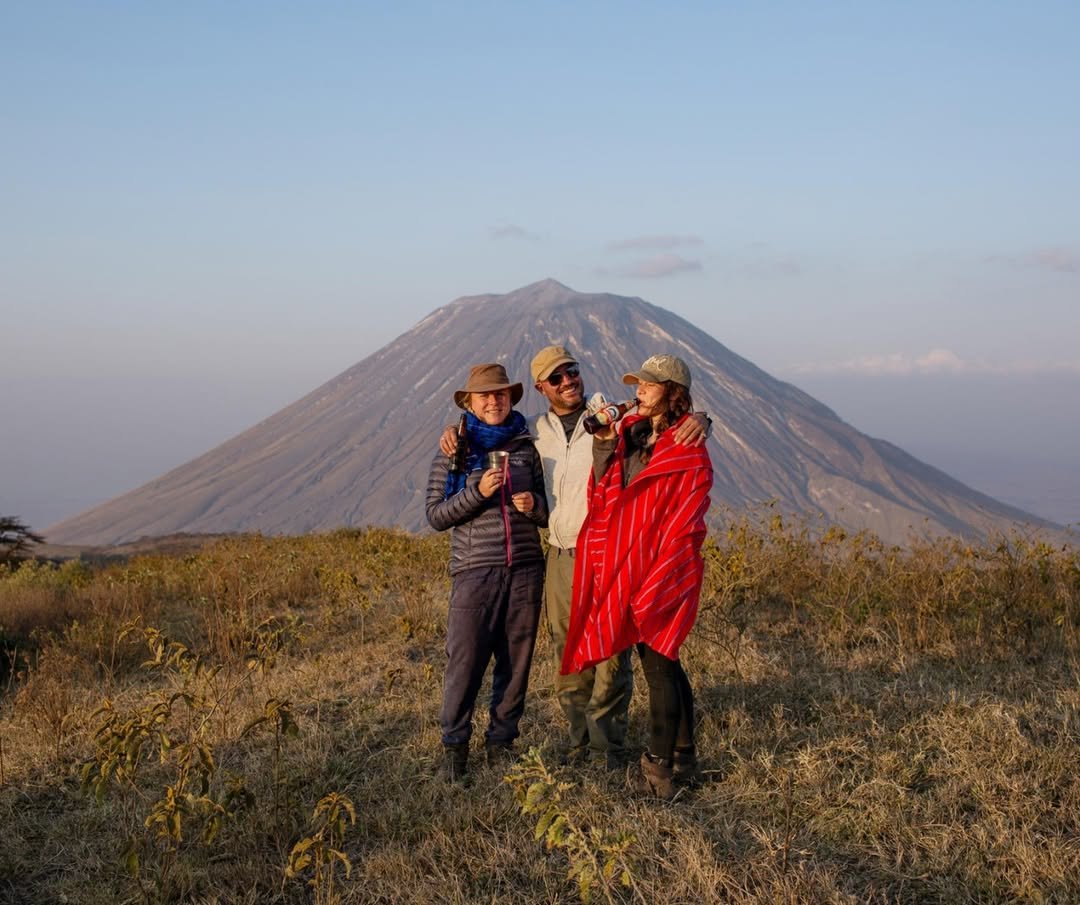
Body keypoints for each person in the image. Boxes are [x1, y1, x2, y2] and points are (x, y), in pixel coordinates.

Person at [443, 346, 710, 767]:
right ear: (540, 388)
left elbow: (663, 422)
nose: (567, 381)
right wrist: (453, 432)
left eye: (573, 372)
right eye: (556, 378)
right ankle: (578, 744)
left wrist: (700, 418)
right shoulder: (531, 431)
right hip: (560, 553)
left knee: (612, 658)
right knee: (566, 652)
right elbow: (484, 429)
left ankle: (608, 748)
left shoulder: (611, 416)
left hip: (608, 553)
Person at [561, 354, 713, 798]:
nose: (639, 390)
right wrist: (606, 440)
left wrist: (662, 572)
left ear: (672, 392)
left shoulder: (688, 448)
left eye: (649, 384)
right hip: (628, 564)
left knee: (658, 664)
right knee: (666, 659)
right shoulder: (634, 432)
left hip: (661, 569)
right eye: (638, 383)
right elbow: (607, 487)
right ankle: (684, 757)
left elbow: (686, 517)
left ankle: (659, 766)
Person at [425, 363, 549, 781]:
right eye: (484, 396)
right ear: (470, 403)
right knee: (465, 661)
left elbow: (549, 512)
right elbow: (437, 515)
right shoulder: (454, 451)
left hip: (527, 570)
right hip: (475, 570)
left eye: (500, 394)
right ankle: (455, 751)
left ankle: (502, 744)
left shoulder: (527, 448)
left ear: (511, 398)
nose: (493, 401)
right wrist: (477, 493)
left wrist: (535, 508)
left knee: (516, 663)